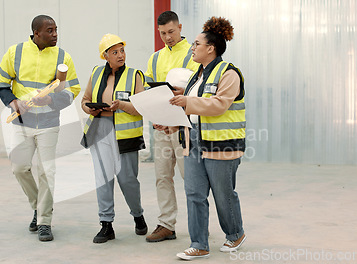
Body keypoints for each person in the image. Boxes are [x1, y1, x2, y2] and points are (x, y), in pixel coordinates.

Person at [0, 15, 80, 242]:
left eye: (56, 30)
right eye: (50, 31)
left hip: (49, 124)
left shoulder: (63, 57)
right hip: (22, 123)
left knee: (47, 172)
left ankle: (44, 221)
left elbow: (73, 91)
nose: (55, 35)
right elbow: (0, 81)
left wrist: (51, 100)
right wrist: (13, 102)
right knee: (19, 168)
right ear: (36, 33)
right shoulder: (16, 52)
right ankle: (37, 207)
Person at [169, 16, 246, 259]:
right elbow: (192, 110)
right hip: (193, 143)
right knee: (194, 194)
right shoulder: (196, 76)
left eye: (196, 44)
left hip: (221, 146)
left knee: (223, 194)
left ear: (210, 48)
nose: (192, 48)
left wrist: (187, 101)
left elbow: (218, 105)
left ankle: (235, 234)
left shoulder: (229, 73)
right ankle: (199, 243)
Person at [80, 33, 147, 244]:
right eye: (115, 52)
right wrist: (89, 109)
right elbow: (85, 100)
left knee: (127, 179)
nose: (120, 55)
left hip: (125, 134)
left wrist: (122, 106)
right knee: (103, 178)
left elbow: (141, 108)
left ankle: (138, 215)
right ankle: (106, 224)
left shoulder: (135, 75)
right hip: (100, 129)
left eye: (122, 51)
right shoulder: (96, 73)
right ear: (105, 55)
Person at [144, 11, 200, 243]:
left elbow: (201, 88)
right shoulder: (155, 58)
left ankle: (199, 226)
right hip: (161, 127)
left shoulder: (194, 53)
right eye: (163, 33)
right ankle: (167, 224)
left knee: (192, 179)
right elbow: (149, 90)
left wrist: (183, 95)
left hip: (184, 127)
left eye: (171, 32)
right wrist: (155, 114)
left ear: (180, 27)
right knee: (162, 177)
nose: (167, 37)